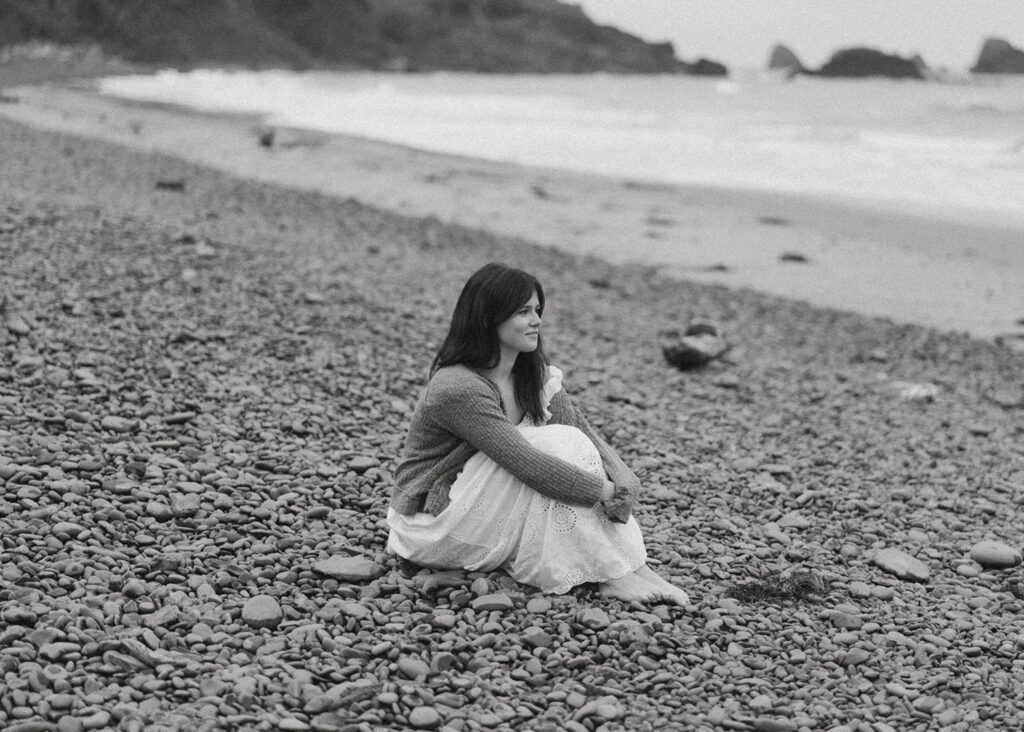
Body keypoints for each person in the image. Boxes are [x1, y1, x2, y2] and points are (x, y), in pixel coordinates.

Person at [387, 262, 689, 605]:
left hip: (479, 507)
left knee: (572, 442)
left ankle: (632, 568)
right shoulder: (458, 386)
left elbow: (584, 432)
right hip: (432, 522)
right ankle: (613, 576)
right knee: (559, 445)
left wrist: (623, 480)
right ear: (489, 318)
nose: (537, 321)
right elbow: (527, 464)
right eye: (523, 312)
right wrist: (605, 491)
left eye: (537, 310)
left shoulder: (534, 377)